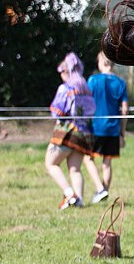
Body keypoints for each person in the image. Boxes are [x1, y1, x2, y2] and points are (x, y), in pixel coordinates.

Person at [44, 53, 105, 209]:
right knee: (75, 169)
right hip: (84, 133)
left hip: (67, 132)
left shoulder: (66, 88)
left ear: (67, 71)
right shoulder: (86, 90)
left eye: (62, 72)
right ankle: (79, 201)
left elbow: (57, 111)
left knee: (51, 164)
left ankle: (70, 193)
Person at [87, 51, 129, 201]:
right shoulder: (121, 83)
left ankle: (100, 189)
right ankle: (103, 191)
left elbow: (86, 103)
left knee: (87, 158)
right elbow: (125, 110)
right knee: (107, 162)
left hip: (96, 127)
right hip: (113, 129)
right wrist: (122, 132)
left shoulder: (93, 80)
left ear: (101, 62)